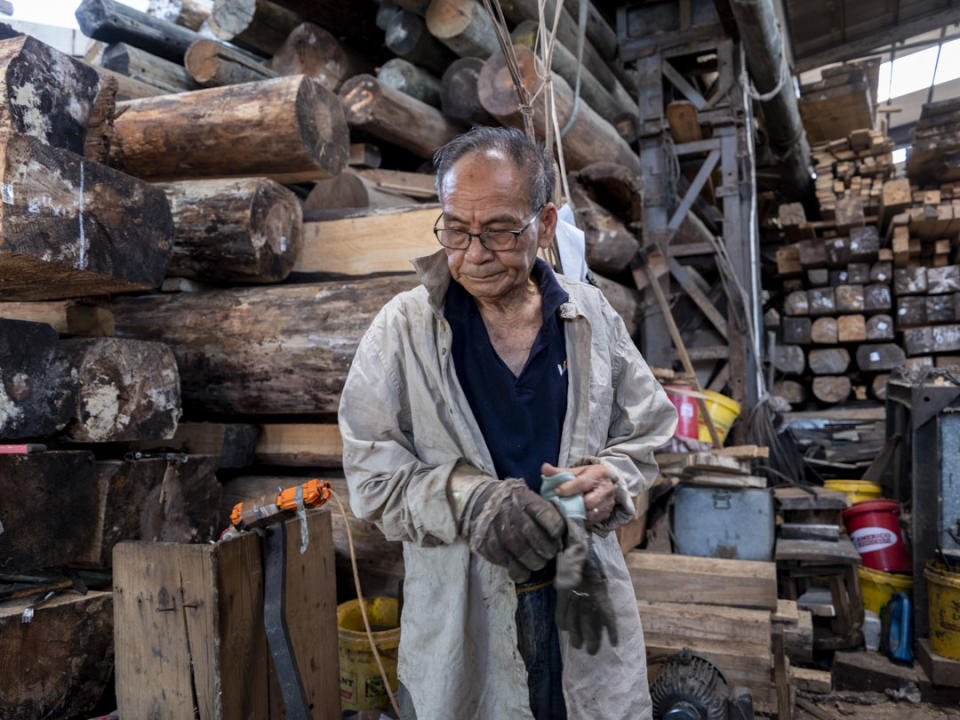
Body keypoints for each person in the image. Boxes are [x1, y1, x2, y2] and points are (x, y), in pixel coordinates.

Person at [338, 126, 678, 720]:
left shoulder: (587, 314)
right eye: (455, 230)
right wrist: (472, 501)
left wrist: (610, 477)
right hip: (464, 602)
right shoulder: (403, 330)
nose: (473, 253)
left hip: (579, 584)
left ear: (544, 225)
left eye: (498, 230)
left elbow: (648, 429)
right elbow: (371, 477)